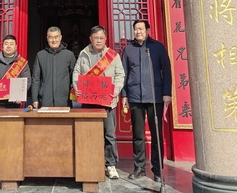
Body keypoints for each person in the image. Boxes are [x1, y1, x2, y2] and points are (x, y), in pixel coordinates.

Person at [121, 19, 172, 182]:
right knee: (138, 135)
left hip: (155, 96)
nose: (138, 31)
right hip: (135, 96)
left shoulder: (157, 47)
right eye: (136, 29)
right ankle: (139, 167)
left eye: (141, 29)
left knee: (157, 135)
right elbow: (124, 74)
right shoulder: (128, 49)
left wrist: (167, 93)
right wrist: (124, 95)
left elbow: (167, 71)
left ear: (148, 31)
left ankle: (157, 170)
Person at [72, 25, 125, 180]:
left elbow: (120, 75)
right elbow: (76, 72)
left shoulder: (113, 56)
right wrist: (77, 86)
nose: (99, 40)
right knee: (88, 133)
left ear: (105, 39)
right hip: (88, 101)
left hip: (107, 101)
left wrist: (116, 90)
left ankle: (111, 164)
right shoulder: (83, 54)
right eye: (96, 38)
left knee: (109, 134)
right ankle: (89, 161)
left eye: (101, 38)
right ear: (91, 39)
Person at [0, 34, 31, 176]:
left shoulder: (22, 63)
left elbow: (27, 81)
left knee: (14, 132)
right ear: (2, 46)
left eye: (11, 44)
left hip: (14, 104)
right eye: (6, 44)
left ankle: (14, 159)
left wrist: (20, 94)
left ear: (16, 46)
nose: (8, 46)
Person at [31, 26, 76, 108]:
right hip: (45, 98)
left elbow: (74, 75)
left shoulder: (69, 55)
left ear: (60, 37)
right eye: (51, 37)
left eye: (56, 37)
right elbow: (36, 78)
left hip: (64, 99)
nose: (54, 40)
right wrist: (34, 99)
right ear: (47, 38)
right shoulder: (40, 55)